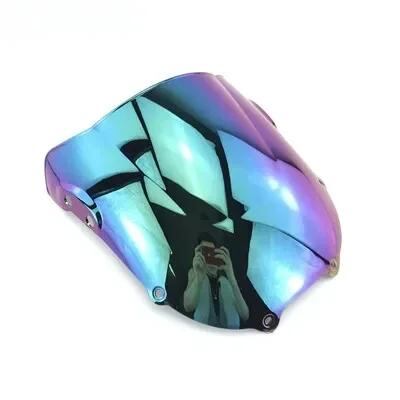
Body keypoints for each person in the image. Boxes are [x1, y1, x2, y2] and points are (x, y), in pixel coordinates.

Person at [183, 234, 249, 328]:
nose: (209, 256)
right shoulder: (194, 274)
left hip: (229, 334)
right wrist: (198, 279)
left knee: (223, 281)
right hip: (202, 332)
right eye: (205, 252)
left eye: (212, 253)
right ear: (199, 255)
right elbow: (188, 306)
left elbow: (245, 315)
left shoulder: (226, 281)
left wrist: (231, 277)